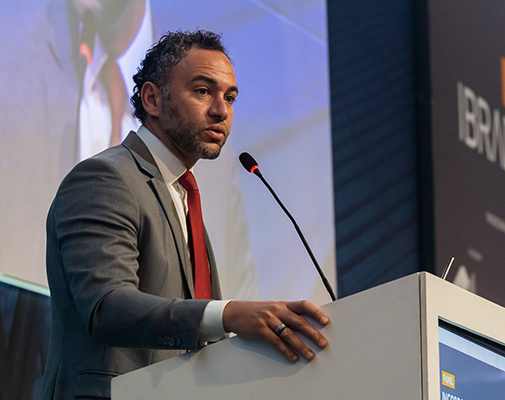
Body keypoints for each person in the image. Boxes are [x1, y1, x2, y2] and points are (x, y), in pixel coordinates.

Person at [42, 29, 330, 400]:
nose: (221, 111)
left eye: (230, 97)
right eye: (203, 91)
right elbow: (107, 306)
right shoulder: (106, 178)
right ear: (152, 99)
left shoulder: (182, 193)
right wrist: (228, 315)